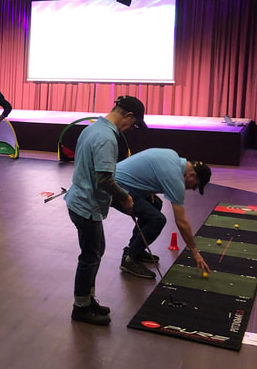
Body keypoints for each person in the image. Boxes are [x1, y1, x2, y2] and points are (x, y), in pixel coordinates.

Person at [64, 95, 146, 326]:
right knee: (90, 256)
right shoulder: (107, 138)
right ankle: (81, 308)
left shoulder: (92, 128)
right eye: (134, 124)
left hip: (80, 201)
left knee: (96, 250)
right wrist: (125, 197)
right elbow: (104, 179)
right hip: (86, 206)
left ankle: (88, 299)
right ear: (128, 115)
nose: (131, 129)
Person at [112, 148, 212, 279]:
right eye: (194, 186)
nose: (191, 189)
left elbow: (148, 168)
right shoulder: (175, 179)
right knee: (157, 219)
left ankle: (134, 249)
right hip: (113, 189)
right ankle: (129, 259)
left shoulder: (172, 156)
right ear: (192, 175)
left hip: (117, 180)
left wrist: (146, 190)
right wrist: (194, 251)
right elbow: (181, 222)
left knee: (156, 204)